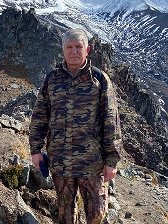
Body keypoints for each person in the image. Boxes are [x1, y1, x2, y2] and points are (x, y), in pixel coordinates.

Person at [29, 28, 121, 224]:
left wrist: (111, 160)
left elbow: (111, 120)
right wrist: (35, 149)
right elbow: (40, 116)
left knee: (97, 215)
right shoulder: (52, 79)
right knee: (65, 217)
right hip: (60, 163)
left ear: (88, 49)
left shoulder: (99, 80)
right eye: (69, 47)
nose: (73, 51)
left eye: (78, 46)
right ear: (62, 50)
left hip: (92, 164)